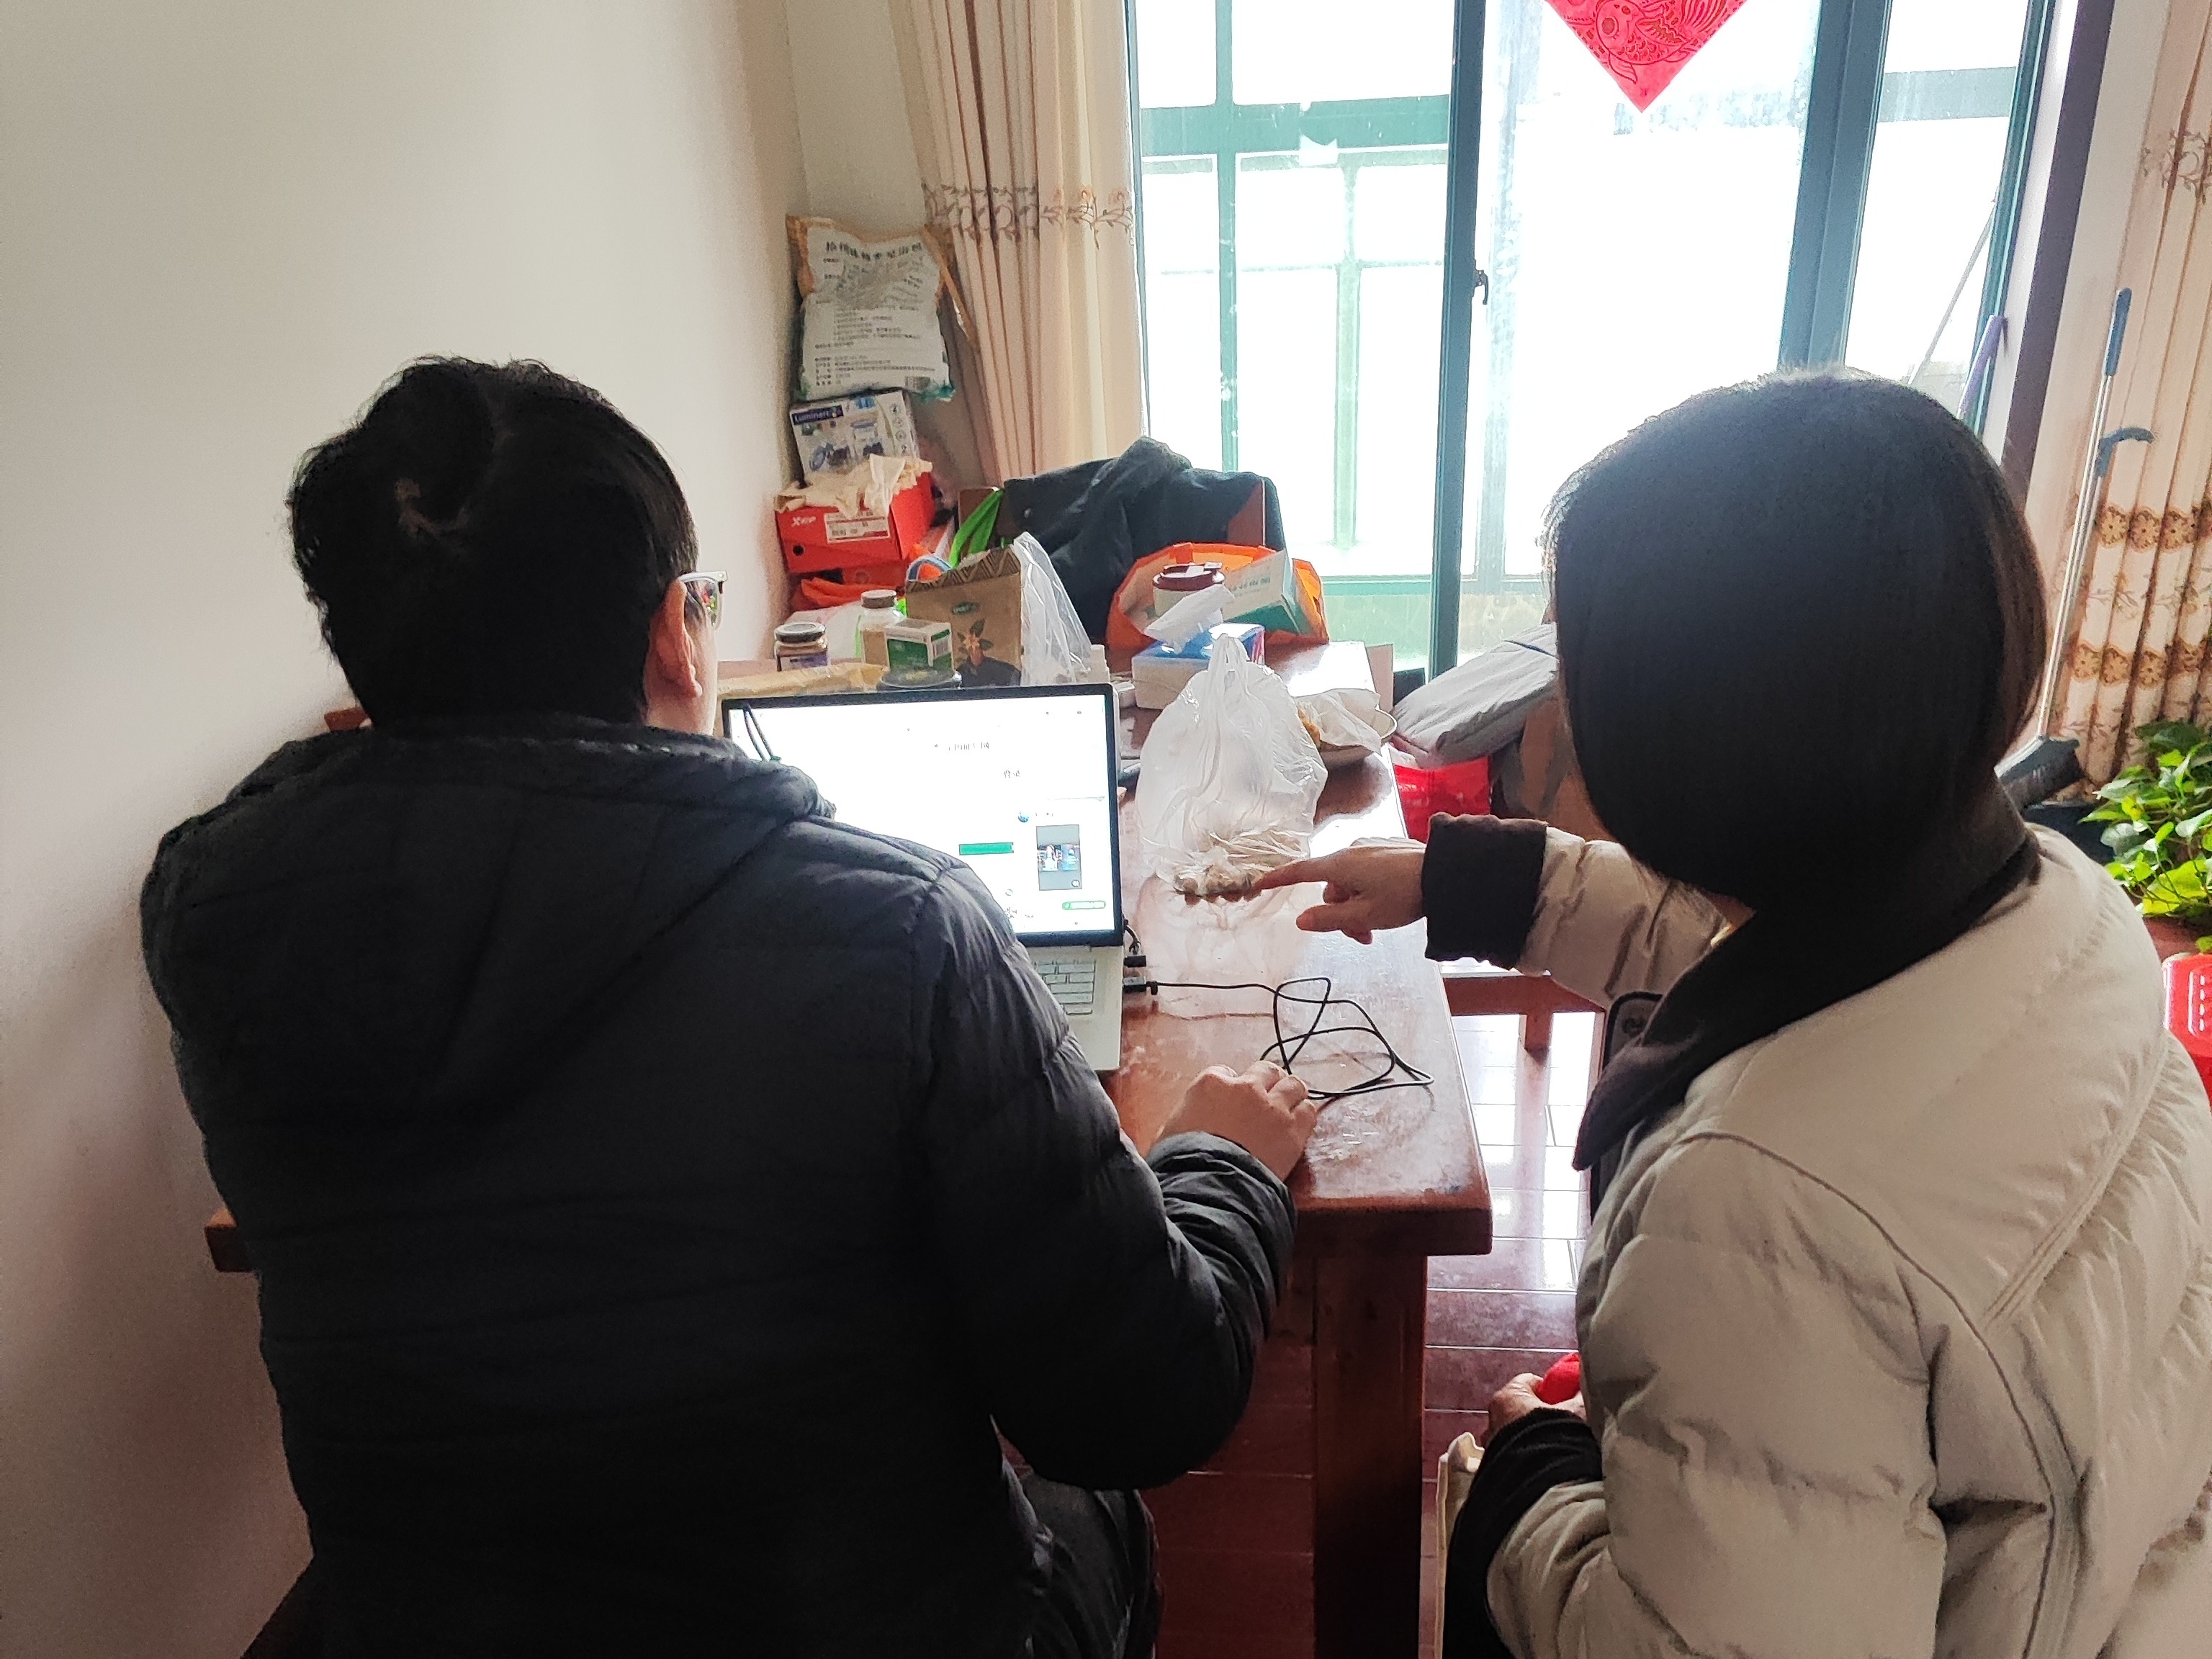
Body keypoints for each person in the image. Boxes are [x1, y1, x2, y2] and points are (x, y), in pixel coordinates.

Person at [141, 359, 1318, 1658]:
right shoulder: (899, 927)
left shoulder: (221, 919)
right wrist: (1221, 1166)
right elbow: (1141, 1406)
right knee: (1095, 1510)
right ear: (673, 633)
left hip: (437, 1622)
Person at [1262, 373, 2212, 1658]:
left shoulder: (1760, 1210)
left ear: (1673, 745)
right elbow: (1735, 941)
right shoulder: (2050, 892)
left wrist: (1526, 1478)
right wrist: (1463, 880)